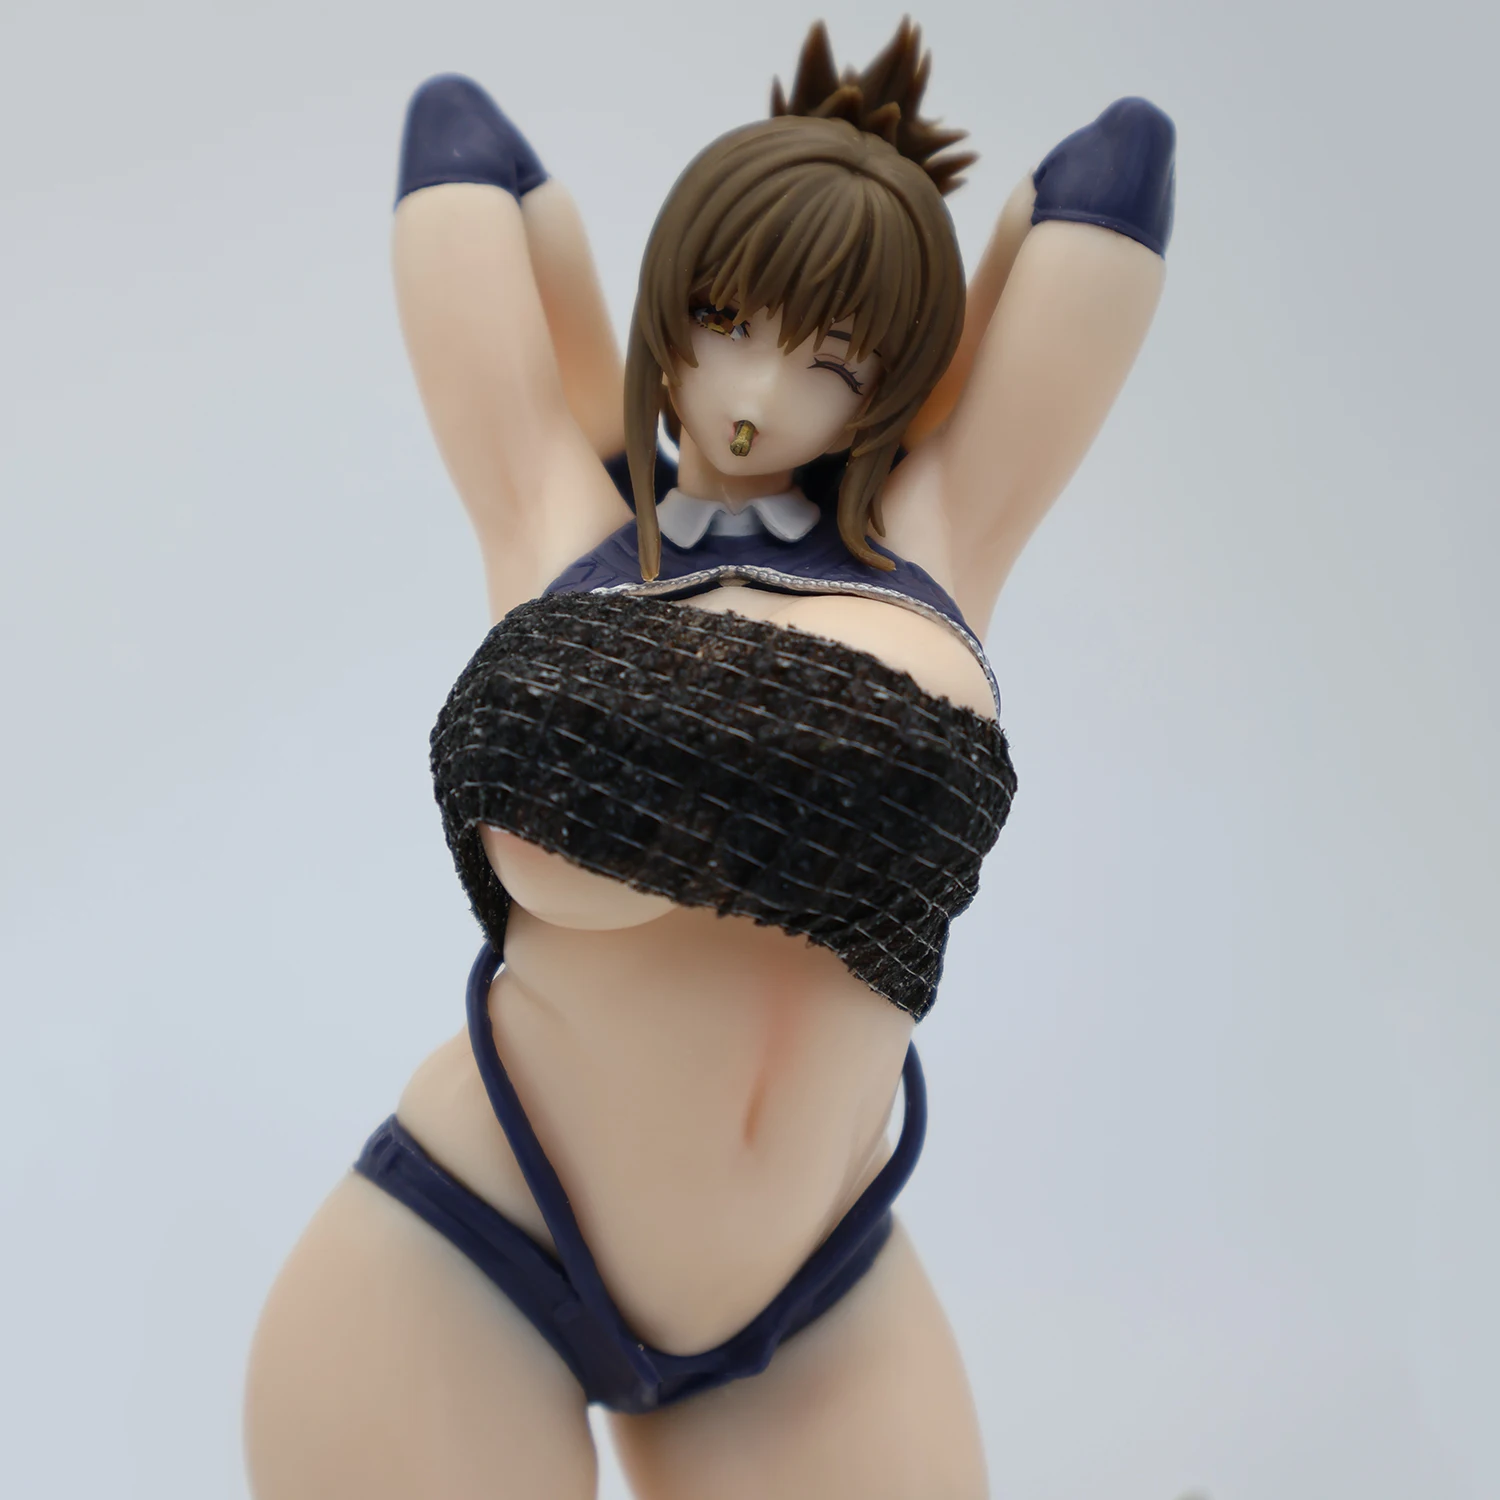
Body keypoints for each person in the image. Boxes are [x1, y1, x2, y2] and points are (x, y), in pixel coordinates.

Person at [244, 20, 1173, 1498]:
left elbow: (1118, 166)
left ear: (895, 387)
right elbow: (459, 137)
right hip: (474, 1251)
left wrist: (924, 344)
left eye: (829, 360)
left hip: (810, 1295)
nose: (754, 390)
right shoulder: (566, 533)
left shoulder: (932, 543)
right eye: (723, 318)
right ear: (666, 311)